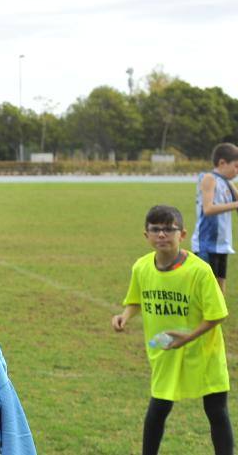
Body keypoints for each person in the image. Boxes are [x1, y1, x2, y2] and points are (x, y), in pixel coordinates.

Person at [112, 205, 232, 455]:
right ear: (146, 236)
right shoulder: (141, 268)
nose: (162, 235)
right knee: (158, 409)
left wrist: (188, 337)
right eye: (155, 230)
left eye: (169, 229)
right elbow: (136, 299)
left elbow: (217, 315)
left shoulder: (199, 271)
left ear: (183, 235)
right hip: (166, 351)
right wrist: (124, 316)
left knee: (216, 410)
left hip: (203, 353)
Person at [193, 142, 238, 291]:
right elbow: (208, 209)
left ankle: (220, 315)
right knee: (207, 290)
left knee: (220, 288)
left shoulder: (229, 183)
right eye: (236, 166)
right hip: (206, 244)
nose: (237, 171)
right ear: (222, 163)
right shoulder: (209, 178)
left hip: (222, 244)